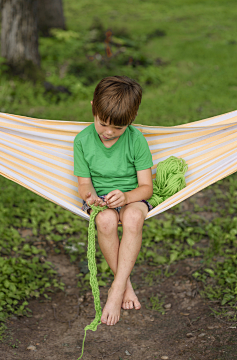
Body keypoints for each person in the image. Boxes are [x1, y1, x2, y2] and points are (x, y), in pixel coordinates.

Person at [73, 75, 153, 327]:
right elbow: (84, 184)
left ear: (131, 120)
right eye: (103, 123)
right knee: (106, 221)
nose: (108, 132)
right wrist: (90, 197)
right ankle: (125, 284)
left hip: (132, 197)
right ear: (93, 108)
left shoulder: (136, 140)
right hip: (101, 201)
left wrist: (127, 197)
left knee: (132, 217)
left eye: (117, 128)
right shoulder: (83, 141)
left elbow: (146, 188)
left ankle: (116, 289)